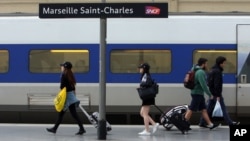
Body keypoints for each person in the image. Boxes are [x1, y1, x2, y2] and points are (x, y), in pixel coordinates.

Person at [46, 61, 86, 135]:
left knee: (62, 114)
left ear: (65, 68)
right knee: (73, 114)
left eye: (62, 66)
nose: (61, 68)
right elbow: (73, 87)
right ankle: (81, 129)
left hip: (67, 97)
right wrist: (74, 96)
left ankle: (54, 129)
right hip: (70, 96)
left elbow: (62, 87)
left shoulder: (64, 75)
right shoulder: (71, 75)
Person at [199, 56, 240, 127]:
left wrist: (211, 93)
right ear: (220, 63)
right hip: (216, 93)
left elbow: (208, 82)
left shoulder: (212, 70)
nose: (224, 64)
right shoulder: (218, 71)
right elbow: (217, 84)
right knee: (223, 108)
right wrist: (218, 95)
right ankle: (230, 123)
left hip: (212, 92)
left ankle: (202, 122)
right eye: (224, 63)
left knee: (209, 108)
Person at [184, 58, 219, 129]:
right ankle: (183, 123)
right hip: (197, 93)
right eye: (206, 64)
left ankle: (210, 124)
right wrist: (210, 94)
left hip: (198, 93)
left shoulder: (196, 70)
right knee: (191, 109)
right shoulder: (200, 72)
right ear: (203, 64)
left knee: (203, 109)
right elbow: (203, 85)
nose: (207, 65)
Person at [138, 63, 159, 136]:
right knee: (142, 113)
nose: (139, 69)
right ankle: (154, 124)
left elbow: (146, 84)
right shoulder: (145, 76)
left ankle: (147, 130)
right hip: (147, 96)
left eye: (141, 68)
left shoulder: (146, 76)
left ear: (144, 69)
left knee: (145, 114)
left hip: (147, 96)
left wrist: (141, 86)